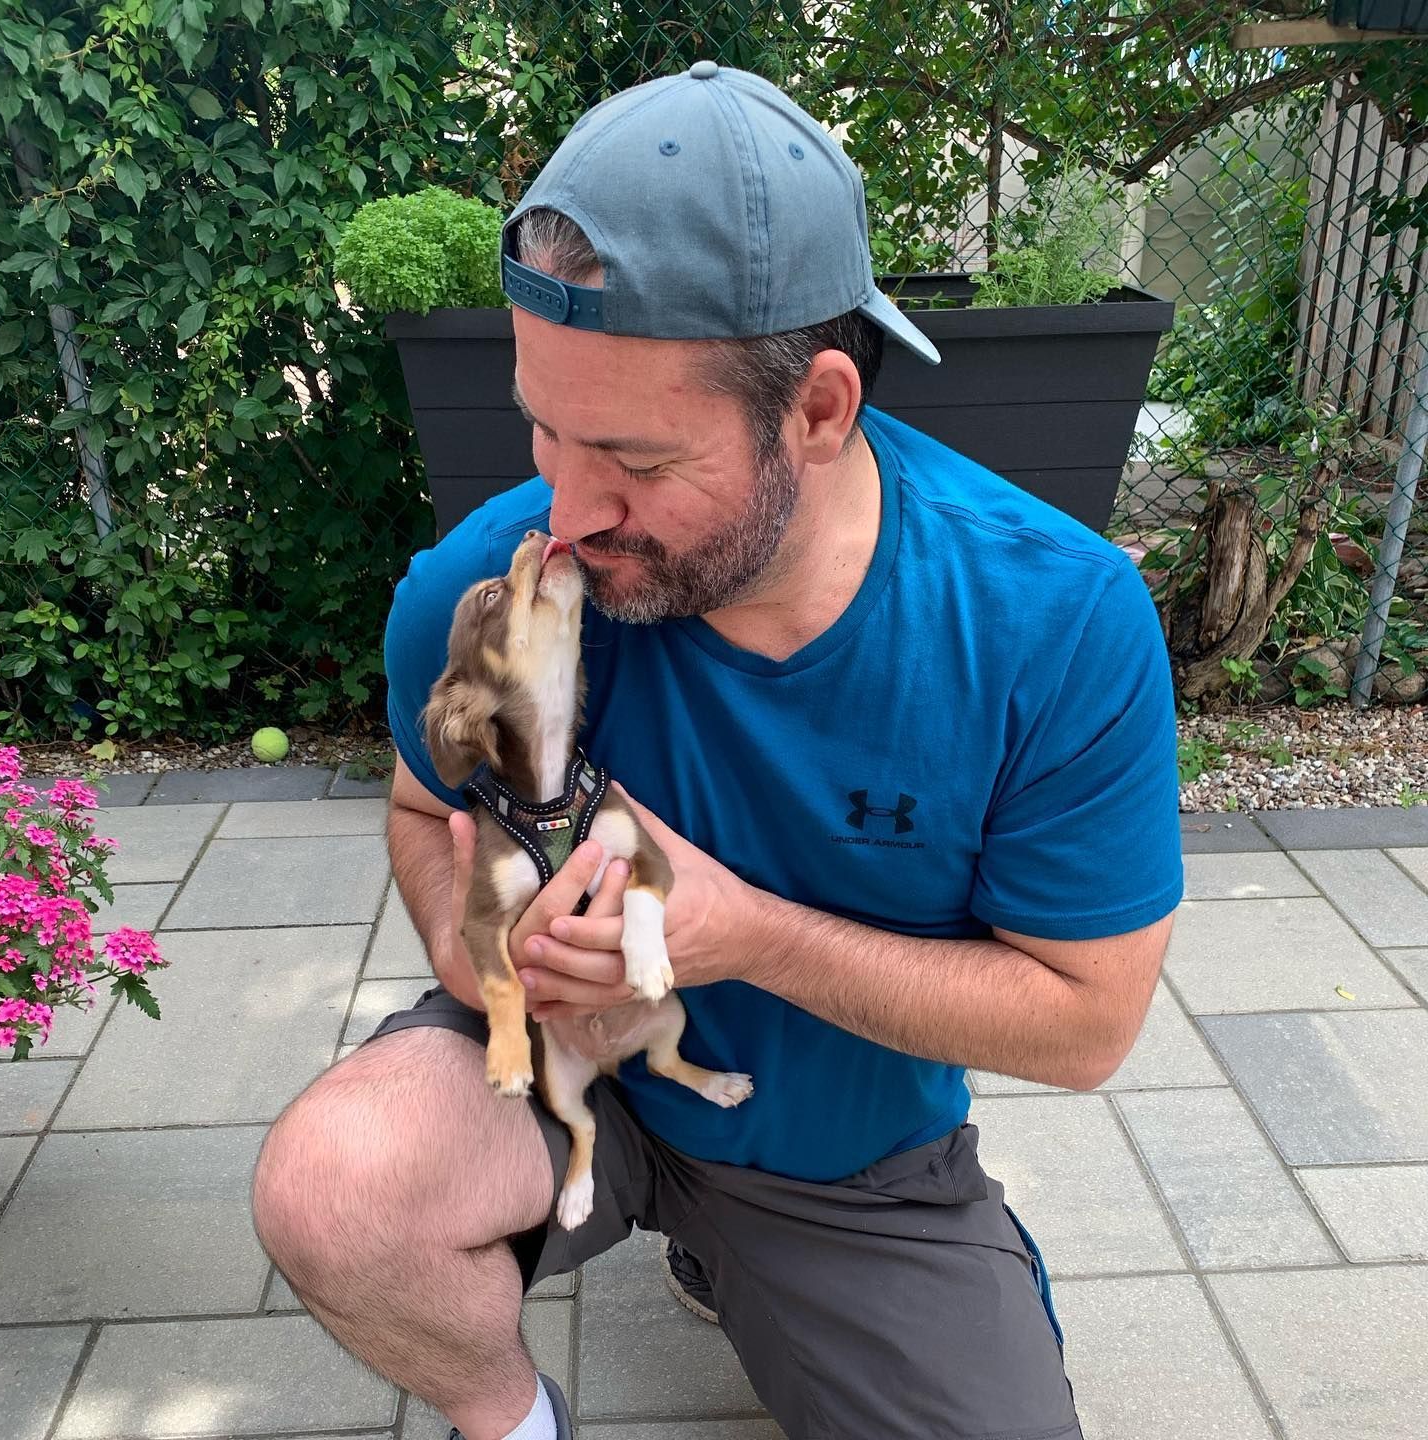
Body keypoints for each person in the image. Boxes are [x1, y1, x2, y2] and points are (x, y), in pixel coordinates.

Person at [251, 63, 1182, 1440]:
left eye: (630, 453)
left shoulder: (1049, 621)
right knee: (334, 1188)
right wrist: (474, 954)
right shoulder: (489, 585)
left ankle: (749, 1257)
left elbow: (1088, 1020)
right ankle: (510, 1422)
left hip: (847, 1162)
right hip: (566, 1078)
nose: (566, 506)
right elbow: (415, 802)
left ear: (817, 409)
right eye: (543, 425)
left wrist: (743, 935)